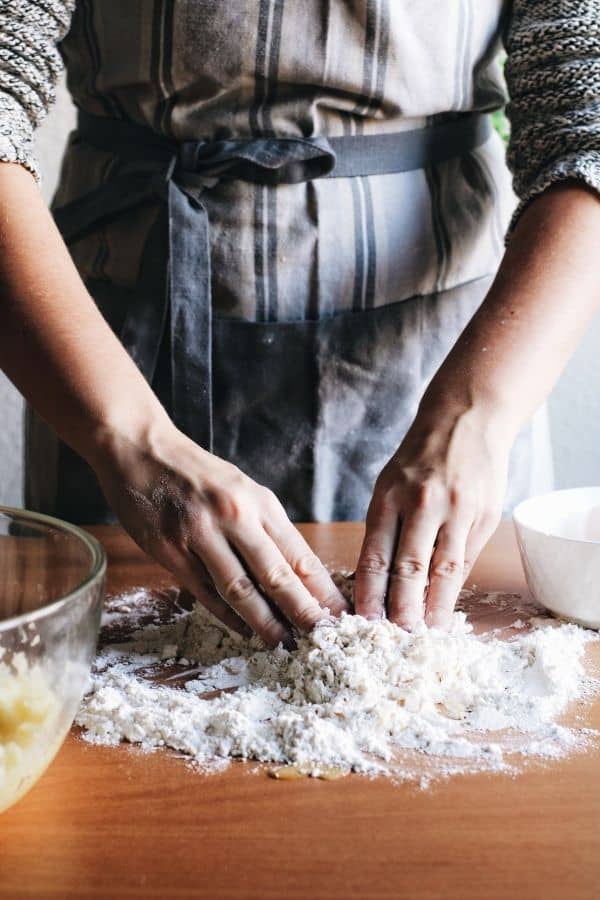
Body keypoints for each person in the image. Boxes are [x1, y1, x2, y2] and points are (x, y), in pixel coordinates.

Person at [0, 1, 598, 643]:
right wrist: (130, 439)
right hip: (108, 360)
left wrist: (478, 412)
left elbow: (587, 129)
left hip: (452, 354)